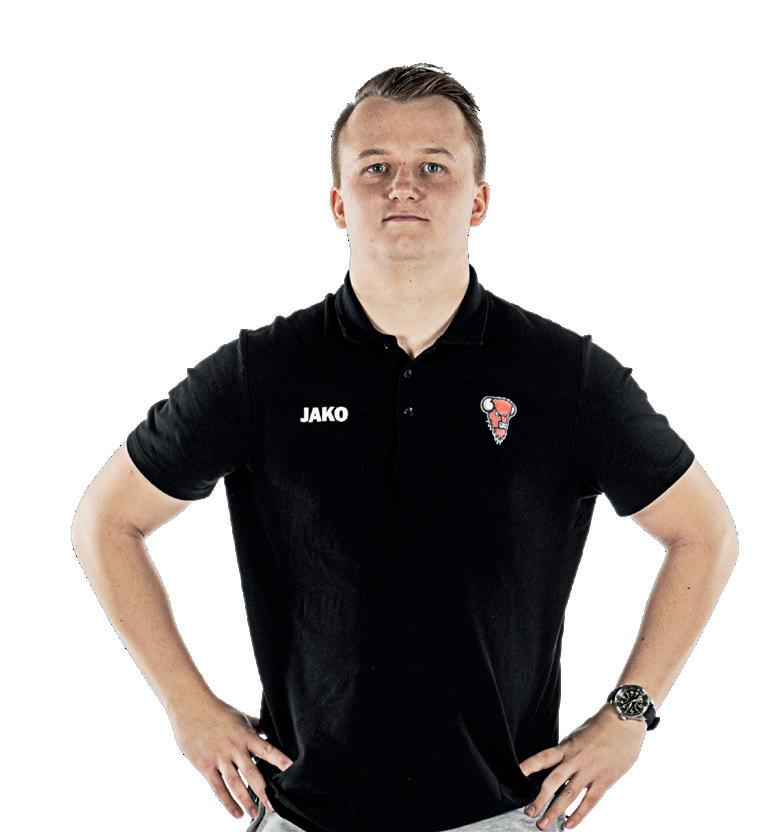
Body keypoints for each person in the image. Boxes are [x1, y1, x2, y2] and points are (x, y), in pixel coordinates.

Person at [71, 63, 738, 832]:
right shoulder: (263, 373)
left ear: (478, 199)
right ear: (338, 201)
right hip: (303, 813)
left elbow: (704, 532)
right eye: (375, 168)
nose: (403, 188)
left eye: (433, 167)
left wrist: (628, 715)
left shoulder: (563, 376)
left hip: (503, 810)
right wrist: (187, 707)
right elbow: (105, 521)